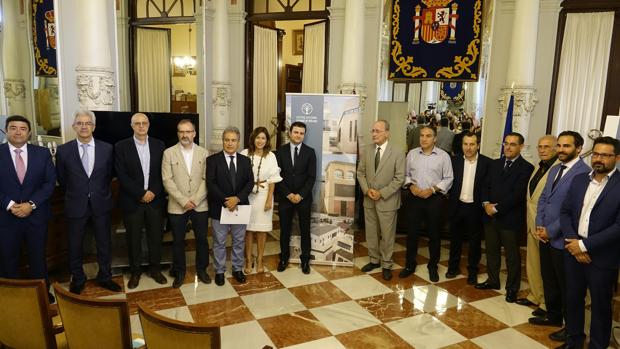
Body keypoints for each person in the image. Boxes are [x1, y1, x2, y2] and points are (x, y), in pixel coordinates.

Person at [530, 131, 590, 343]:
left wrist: (551, 230)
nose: (561, 150)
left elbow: (575, 210)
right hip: (545, 234)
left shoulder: (584, 173)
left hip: (563, 238)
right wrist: (540, 225)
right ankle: (553, 315)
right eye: (560, 146)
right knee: (550, 280)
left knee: (567, 287)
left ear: (579, 148)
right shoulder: (555, 168)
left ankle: (569, 326)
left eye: (567, 146)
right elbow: (544, 198)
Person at [561, 136, 620, 349]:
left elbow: (618, 227)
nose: (598, 159)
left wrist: (584, 246)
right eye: (595, 153)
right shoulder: (579, 179)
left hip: (602, 257)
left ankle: (597, 345)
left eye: (605, 155)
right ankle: (574, 341)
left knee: (600, 307)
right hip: (573, 250)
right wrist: (574, 243)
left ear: (617, 158)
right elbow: (566, 212)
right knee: (573, 300)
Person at [56, 110, 121, 294]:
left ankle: (105, 277)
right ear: (74, 126)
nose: (84, 127)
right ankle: (78, 278)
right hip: (75, 204)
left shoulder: (107, 148)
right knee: (75, 244)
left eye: (87, 123)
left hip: (101, 203)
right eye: (80, 123)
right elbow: (63, 178)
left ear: (93, 126)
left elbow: (109, 175)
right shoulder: (63, 150)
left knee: (104, 243)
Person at [0, 115, 56, 303]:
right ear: (7, 131)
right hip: (6, 217)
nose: (18, 132)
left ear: (29, 132)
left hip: (36, 216)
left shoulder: (42, 154)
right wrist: (10, 205)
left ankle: (41, 293)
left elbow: (49, 184)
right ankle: (14, 296)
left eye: (22, 128)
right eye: (13, 128)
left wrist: (30, 205)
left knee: (38, 257)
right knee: (8, 258)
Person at [476, 132, 534, 303]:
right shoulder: (495, 164)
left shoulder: (527, 168)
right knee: (492, 252)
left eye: (513, 144)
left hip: (510, 219)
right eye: (506, 143)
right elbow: (484, 186)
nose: (508, 147)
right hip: (490, 217)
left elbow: (518, 195)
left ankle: (512, 288)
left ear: (521, 147)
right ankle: (493, 280)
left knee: (512, 256)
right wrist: (486, 204)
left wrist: (496, 209)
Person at [114, 113, 167, 289]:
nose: (141, 126)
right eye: (137, 123)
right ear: (132, 126)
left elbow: (163, 173)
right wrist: (140, 193)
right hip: (132, 201)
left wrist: (153, 192)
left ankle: (155, 270)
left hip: (155, 200)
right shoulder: (121, 146)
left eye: (144, 123)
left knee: (155, 238)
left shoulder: (160, 145)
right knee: (133, 239)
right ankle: (135, 272)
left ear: (149, 125)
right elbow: (122, 175)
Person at [400, 126, 453, 282]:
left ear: (435, 139)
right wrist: (411, 186)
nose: (424, 138)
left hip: (434, 199)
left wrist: (432, 189)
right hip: (414, 198)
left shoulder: (443, 156)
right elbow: (405, 174)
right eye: (422, 135)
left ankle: (432, 266)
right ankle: (410, 264)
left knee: (434, 234)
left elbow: (448, 178)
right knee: (412, 233)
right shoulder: (412, 154)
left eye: (428, 136)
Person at [162, 119, 210, 288]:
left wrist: (196, 200)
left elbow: (207, 179)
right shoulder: (169, 153)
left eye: (188, 131)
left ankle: (202, 270)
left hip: (200, 205)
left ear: (194, 134)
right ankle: (180, 271)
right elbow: (167, 180)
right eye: (181, 131)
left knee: (202, 240)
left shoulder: (204, 153)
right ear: (178, 133)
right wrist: (183, 201)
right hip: (177, 206)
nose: (185, 135)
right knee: (178, 241)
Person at [357, 120, 405, 281]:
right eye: (373, 131)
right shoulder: (367, 150)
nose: (374, 134)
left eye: (377, 131)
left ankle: (386, 264)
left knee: (387, 235)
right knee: (371, 233)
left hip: (387, 201)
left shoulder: (397, 152)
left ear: (387, 133)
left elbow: (399, 179)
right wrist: (366, 189)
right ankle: (374, 260)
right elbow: (360, 173)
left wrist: (382, 193)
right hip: (369, 199)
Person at [515, 135, 559, 315]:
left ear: (556, 148)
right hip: (532, 223)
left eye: (547, 147)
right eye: (540, 146)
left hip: (546, 227)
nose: (542, 150)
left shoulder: (558, 169)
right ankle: (535, 296)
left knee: (547, 269)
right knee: (533, 263)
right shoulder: (538, 167)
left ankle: (547, 303)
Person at [207, 126, 254, 286]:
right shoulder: (212, 160)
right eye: (226, 140)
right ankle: (219, 271)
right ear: (222, 141)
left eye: (233, 140)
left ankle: (237, 269)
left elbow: (250, 182)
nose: (229, 143)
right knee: (219, 241)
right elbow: (211, 184)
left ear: (238, 142)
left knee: (239, 241)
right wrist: (228, 201)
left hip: (240, 207)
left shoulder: (246, 161)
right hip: (219, 207)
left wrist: (237, 199)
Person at [445, 132, 491, 284]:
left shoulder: (487, 163)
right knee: (455, 239)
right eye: (466, 144)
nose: (469, 148)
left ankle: (472, 271)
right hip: (457, 206)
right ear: (462, 145)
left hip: (475, 208)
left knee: (474, 241)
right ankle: (453, 267)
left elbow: (488, 187)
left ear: (478, 145)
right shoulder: (454, 161)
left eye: (472, 144)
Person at [274, 121, 317, 274]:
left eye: (301, 133)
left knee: (305, 230)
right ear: (290, 133)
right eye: (296, 132)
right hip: (286, 198)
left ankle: (305, 261)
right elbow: (276, 176)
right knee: (285, 231)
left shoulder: (310, 152)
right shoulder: (280, 151)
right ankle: (284, 258)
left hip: (303, 199)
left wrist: (300, 195)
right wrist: (288, 194)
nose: (298, 135)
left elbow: (312, 177)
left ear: (304, 135)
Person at [240, 127, 282, 274]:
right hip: (247, 195)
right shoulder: (244, 153)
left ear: (267, 140)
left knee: (262, 230)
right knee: (248, 230)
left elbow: (273, 180)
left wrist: (269, 200)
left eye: (263, 138)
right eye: (258, 137)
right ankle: (248, 260)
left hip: (264, 194)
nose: (260, 141)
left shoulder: (271, 156)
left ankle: (259, 260)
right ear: (253, 139)